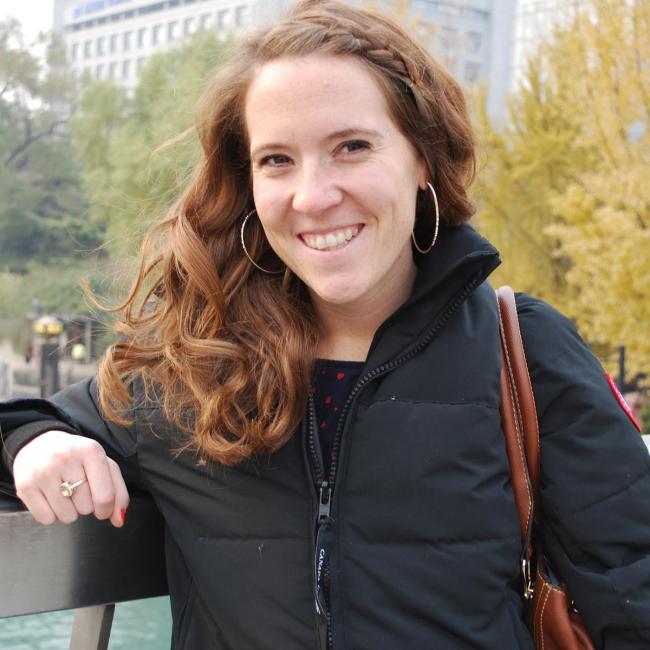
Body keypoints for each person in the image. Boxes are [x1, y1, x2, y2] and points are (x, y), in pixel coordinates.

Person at [1, 1, 649, 648]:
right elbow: (27, 422)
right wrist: (35, 442)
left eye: (352, 147)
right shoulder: (195, 369)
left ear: (423, 157)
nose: (312, 196)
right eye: (277, 160)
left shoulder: (524, 352)